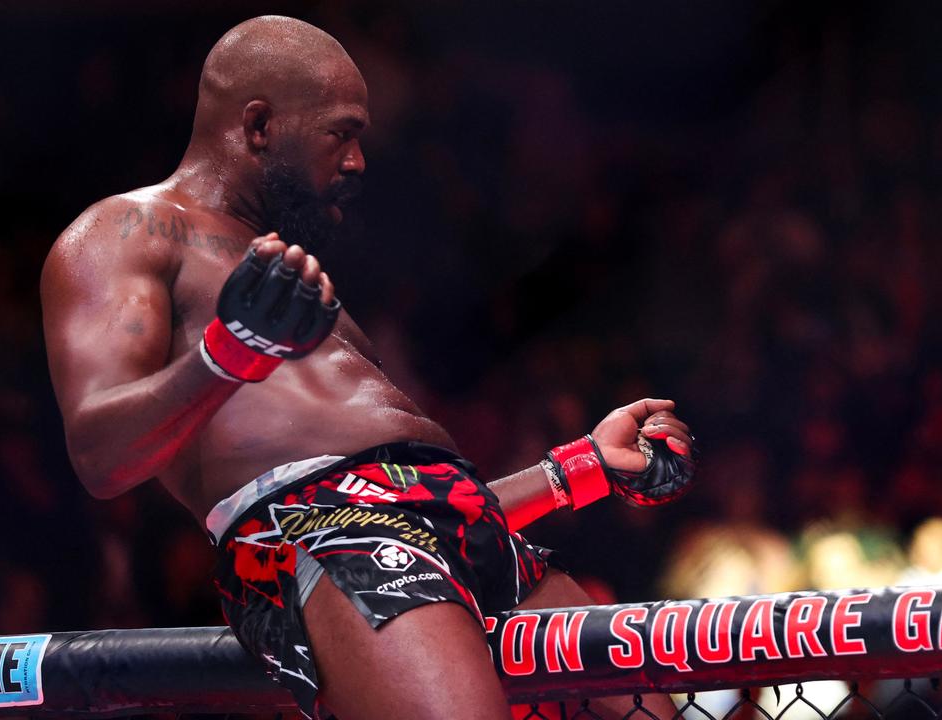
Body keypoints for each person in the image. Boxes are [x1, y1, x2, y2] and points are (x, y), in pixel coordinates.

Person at [40, 16, 695, 720]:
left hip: (465, 526)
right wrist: (229, 354)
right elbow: (99, 454)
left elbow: (407, 494)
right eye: (340, 134)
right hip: (322, 534)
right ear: (259, 125)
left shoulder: (283, 271)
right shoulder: (125, 231)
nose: (356, 163)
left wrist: (579, 468)